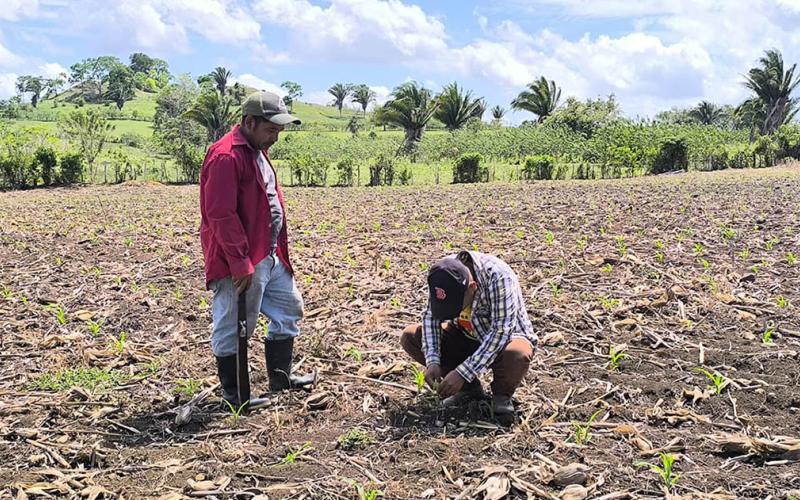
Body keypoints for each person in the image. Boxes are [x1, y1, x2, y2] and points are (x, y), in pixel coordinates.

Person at [199, 90, 316, 410]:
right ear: (249, 122)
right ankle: (236, 396)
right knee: (235, 324)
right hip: (242, 258)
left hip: (270, 252)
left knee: (289, 308)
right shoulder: (226, 156)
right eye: (271, 129)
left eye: (279, 131)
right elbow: (220, 214)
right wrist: (239, 262)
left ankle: (280, 378)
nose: (275, 137)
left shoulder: (257, 150)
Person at [400, 250, 537, 421]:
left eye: (456, 306)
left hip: (503, 341)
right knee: (411, 336)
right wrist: (433, 361)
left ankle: (501, 397)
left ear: (472, 288)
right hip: (465, 335)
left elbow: (500, 332)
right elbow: (430, 318)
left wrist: (462, 373)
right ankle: (468, 390)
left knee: (516, 353)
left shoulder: (499, 277)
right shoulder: (443, 274)